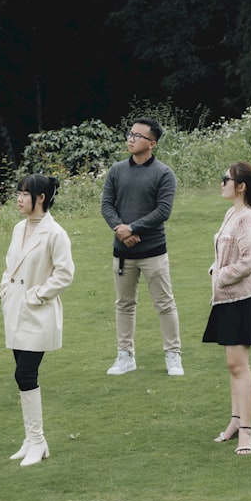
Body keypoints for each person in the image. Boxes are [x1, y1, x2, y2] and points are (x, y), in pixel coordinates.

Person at [0, 175, 74, 466]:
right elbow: (10, 265)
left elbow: (65, 274)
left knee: (25, 374)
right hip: (16, 310)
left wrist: (37, 295)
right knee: (22, 374)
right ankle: (32, 440)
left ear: (40, 197)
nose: (18, 198)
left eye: (24, 193)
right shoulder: (19, 228)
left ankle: (38, 439)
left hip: (37, 313)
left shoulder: (55, 233)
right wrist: (5, 290)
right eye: (17, 193)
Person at [101, 118, 183, 377]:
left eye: (138, 136)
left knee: (165, 304)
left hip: (153, 252)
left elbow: (163, 211)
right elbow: (107, 205)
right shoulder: (116, 171)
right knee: (124, 304)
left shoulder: (163, 173)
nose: (131, 139)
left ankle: (173, 355)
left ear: (152, 143)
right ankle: (125, 356)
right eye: (130, 134)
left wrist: (133, 228)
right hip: (122, 252)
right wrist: (120, 229)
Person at [203, 162, 251, 456]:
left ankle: (246, 430)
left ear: (241, 186)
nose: (221, 183)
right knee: (233, 365)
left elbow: (249, 261)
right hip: (226, 299)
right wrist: (215, 270)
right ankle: (235, 421)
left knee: (238, 365)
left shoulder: (248, 218)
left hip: (242, 299)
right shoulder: (232, 213)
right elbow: (225, 254)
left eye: (225, 179)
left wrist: (221, 275)